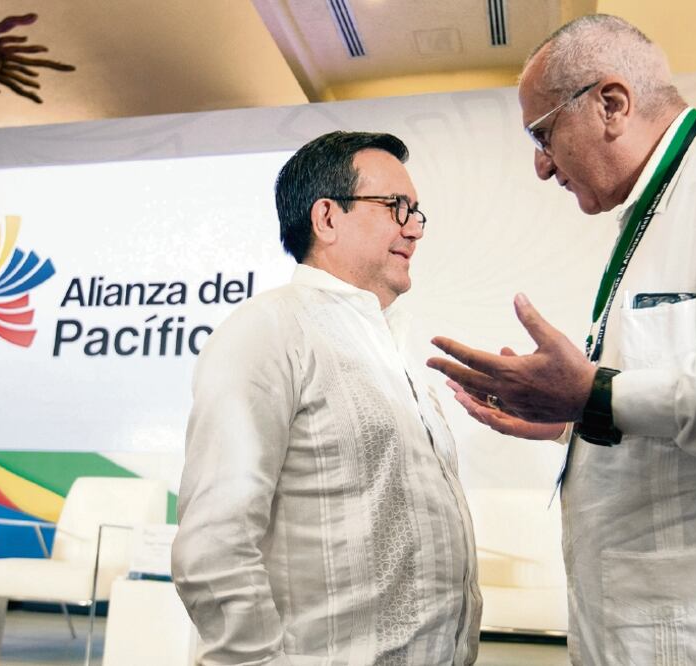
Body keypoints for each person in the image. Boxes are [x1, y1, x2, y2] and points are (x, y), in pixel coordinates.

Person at [427, 14, 696, 666]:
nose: (541, 167)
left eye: (542, 134)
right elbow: (676, 436)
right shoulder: (656, 215)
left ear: (612, 104)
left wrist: (599, 397)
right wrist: (573, 420)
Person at [173, 131, 481, 665]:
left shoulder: (392, 348)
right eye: (396, 207)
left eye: (416, 211)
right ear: (327, 218)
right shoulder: (266, 330)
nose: (414, 228)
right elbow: (213, 544)